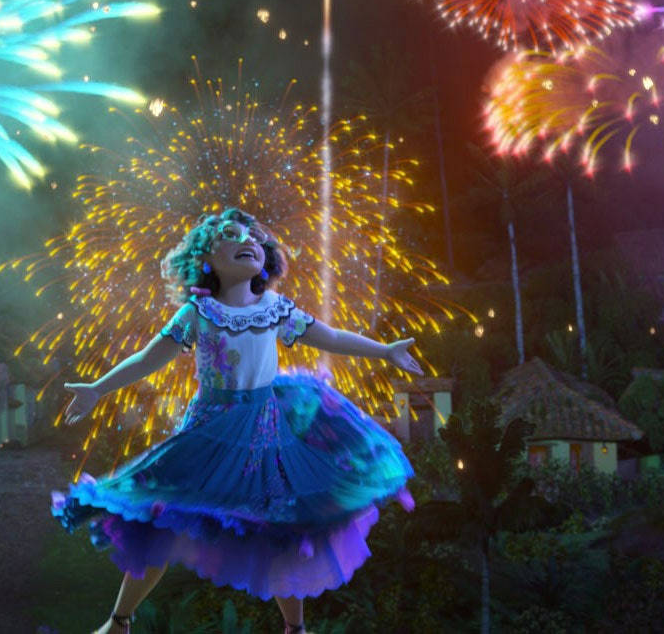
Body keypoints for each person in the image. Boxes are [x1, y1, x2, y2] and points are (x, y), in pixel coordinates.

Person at [53, 207, 423, 634]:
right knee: (160, 519)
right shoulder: (197, 313)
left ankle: (295, 628)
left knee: (283, 528)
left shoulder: (276, 308)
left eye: (253, 235)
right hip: (208, 432)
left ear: (265, 256)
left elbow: (333, 338)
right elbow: (147, 358)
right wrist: (98, 388)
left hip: (267, 434)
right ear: (206, 259)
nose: (247, 238)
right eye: (231, 234)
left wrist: (384, 350)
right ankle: (119, 621)